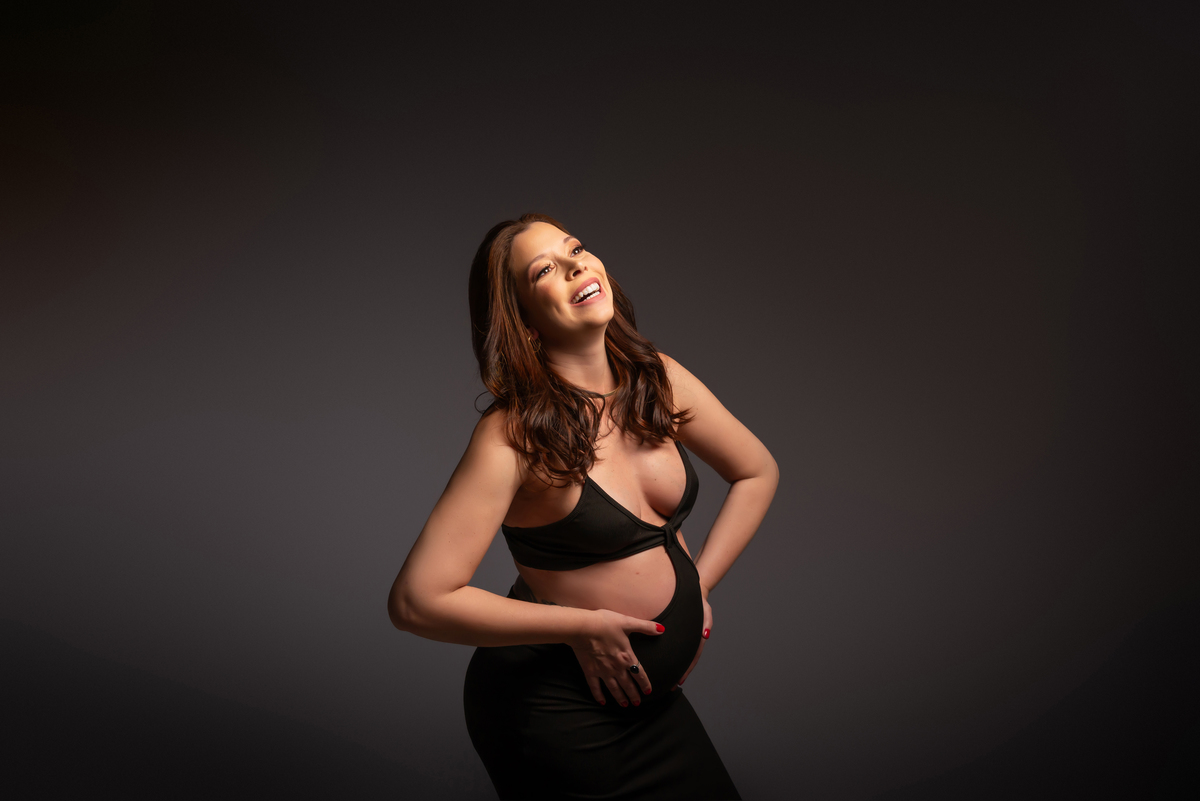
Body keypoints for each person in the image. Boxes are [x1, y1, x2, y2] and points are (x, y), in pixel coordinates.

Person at [388, 213, 778, 800]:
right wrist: (581, 627)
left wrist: (696, 589)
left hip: (648, 703)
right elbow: (416, 602)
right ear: (522, 321)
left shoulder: (657, 379)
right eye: (544, 270)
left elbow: (756, 471)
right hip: (557, 713)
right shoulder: (513, 436)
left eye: (575, 249)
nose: (575, 265)